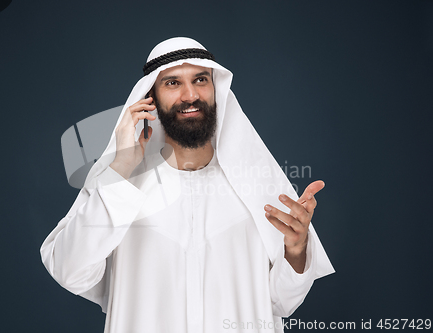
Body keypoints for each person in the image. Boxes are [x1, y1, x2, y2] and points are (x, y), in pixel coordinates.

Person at [40, 37, 335, 333]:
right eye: (172, 83)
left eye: (200, 79)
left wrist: (296, 250)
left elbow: (281, 305)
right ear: (149, 98)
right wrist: (121, 167)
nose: (190, 94)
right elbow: (70, 271)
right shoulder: (120, 180)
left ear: (215, 89)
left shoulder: (255, 183)